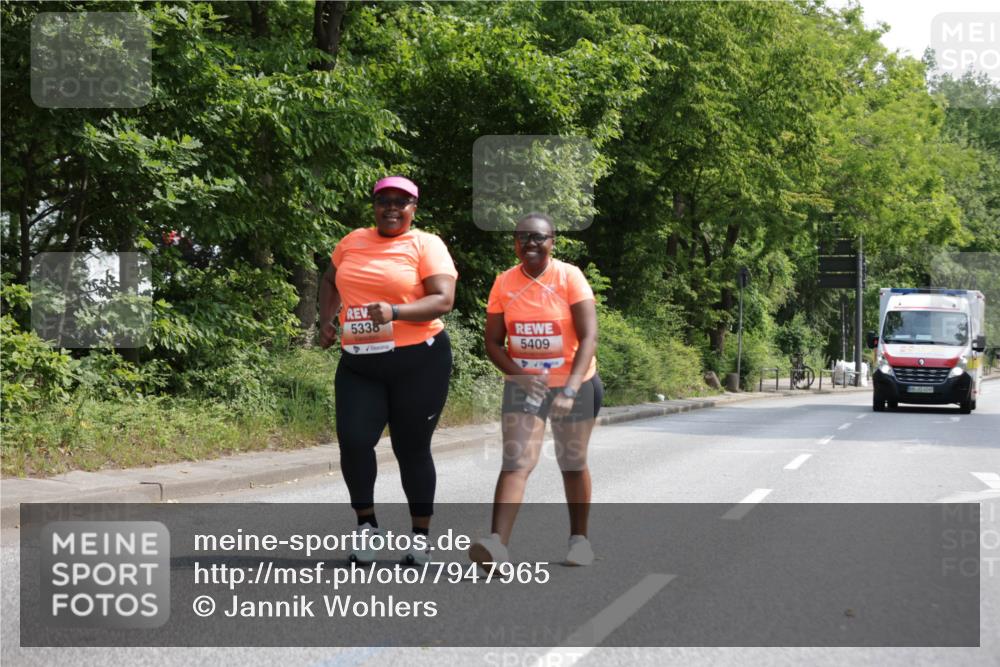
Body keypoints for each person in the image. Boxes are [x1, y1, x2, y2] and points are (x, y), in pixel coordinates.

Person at [318, 176, 457, 566]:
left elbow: (443, 300)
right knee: (354, 441)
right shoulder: (352, 241)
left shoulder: (426, 244)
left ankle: (420, 538)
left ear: (414, 208)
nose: (392, 208)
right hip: (360, 362)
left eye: (402, 201)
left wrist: (395, 312)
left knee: (411, 449)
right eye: (384, 201)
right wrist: (326, 320)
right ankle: (367, 527)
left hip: (419, 361)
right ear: (374, 205)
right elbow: (330, 280)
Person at [469, 212, 602, 567]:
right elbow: (494, 343)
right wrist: (520, 375)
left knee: (571, 461)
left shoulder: (569, 277)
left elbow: (589, 336)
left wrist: (570, 389)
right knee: (516, 460)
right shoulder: (504, 283)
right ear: (514, 243)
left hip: (576, 382)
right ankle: (497, 545)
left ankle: (580, 541)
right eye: (523, 237)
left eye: (539, 237)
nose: (530, 243)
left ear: (552, 242)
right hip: (525, 385)